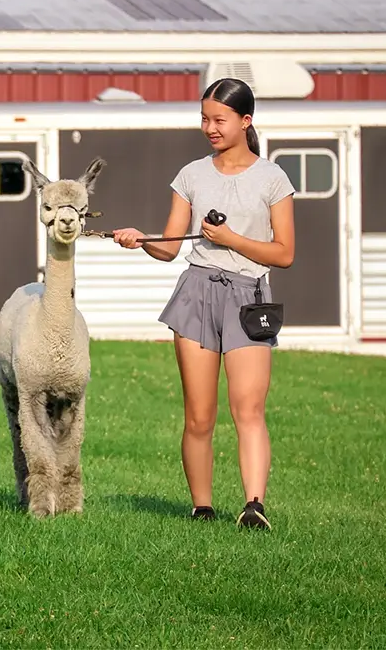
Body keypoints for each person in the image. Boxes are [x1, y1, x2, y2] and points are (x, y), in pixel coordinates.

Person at [112, 78, 295, 530]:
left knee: (248, 409)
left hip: (249, 298)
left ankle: (254, 505)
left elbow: (285, 253)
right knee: (198, 415)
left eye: (219, 119)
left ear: (245, 121)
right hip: (195, 293)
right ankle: (202, 508)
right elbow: (171, 246)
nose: (209, 127)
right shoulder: (191, 175)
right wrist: (142, 240)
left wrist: (231, 238)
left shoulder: (271, 178)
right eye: (204, 119)